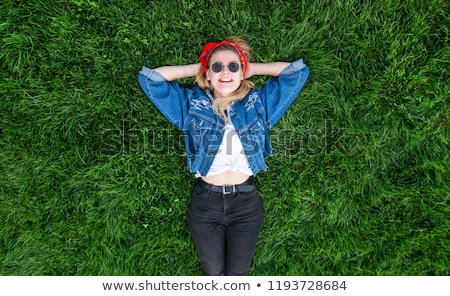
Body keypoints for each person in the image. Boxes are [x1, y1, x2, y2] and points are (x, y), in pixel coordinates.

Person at [137, 36, 309, 276]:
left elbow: (296, 73)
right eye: (217, 66)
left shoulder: (257, 104)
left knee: (238, 276)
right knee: (213, 274)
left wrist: (251, 69)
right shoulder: (191, 105)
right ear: (208, 74)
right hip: (205, 204)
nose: (225, 72)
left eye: (233, 66)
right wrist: (199, 68)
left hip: (246, 205)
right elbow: (150, 79)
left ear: (242, 72)